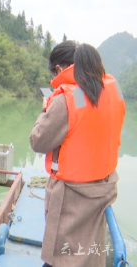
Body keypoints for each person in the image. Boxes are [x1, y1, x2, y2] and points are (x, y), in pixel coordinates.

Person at [29, 41, 126, 267]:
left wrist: (46, 109)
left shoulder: (65, 99)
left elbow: (37, 140)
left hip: (71, 197)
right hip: (104, 189)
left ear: (60, 70)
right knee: (90, 254)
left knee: (59, 257)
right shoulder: (115, 90)